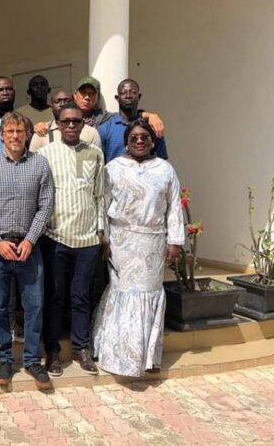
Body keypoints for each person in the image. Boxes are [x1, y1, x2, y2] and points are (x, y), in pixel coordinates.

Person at [93, 119, 184, 377]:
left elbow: (174, 206)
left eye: (145, 136)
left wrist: (175, 241)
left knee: (149, 292)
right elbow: (103, 205)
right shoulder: (113, 168)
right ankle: (116, 353)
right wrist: (105, 239)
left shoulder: (165, 170)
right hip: (121, 242)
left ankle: (147, 356)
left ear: (153, 141)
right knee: (123, 292)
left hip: (153, 242)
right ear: (126, 142)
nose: (140, 141)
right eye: (134, 137)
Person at [0, 112, 54, 390]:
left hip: (30, 248)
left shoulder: (40, 165)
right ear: (1, 135)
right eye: (10, 131)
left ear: (28, 134)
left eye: (20, 131)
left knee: (34, 305)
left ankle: (32, 359)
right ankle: (4, 358)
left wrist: (30, 240)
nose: (16, 136)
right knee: (0, 308)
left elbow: (45, 206)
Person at [37, 104, 105, 377]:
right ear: (57, 123)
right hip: (55, 237)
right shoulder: (44, 154)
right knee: (55, 297)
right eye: (66, 121)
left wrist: (101, 231)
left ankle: (80, 348)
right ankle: (52, 351)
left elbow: (100, 195)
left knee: (80, 297)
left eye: (76, 121)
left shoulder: (95, 154)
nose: (71, 126)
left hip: (87, 238)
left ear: (83, 124)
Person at [98, 79, 169, 163]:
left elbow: (161, 162)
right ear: (117, 98)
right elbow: (99, 163)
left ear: (139, 96)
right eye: (123, 93)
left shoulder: (153, 126)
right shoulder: (105, 129)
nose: (128, 95)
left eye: (133, 92)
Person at [29, 89, 102, 152]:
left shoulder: (90, 132)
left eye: (67, 101)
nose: (62, 104)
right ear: (51, 107)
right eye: (57, 101)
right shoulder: (42, 132)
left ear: (74, 103)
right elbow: (33, 163)